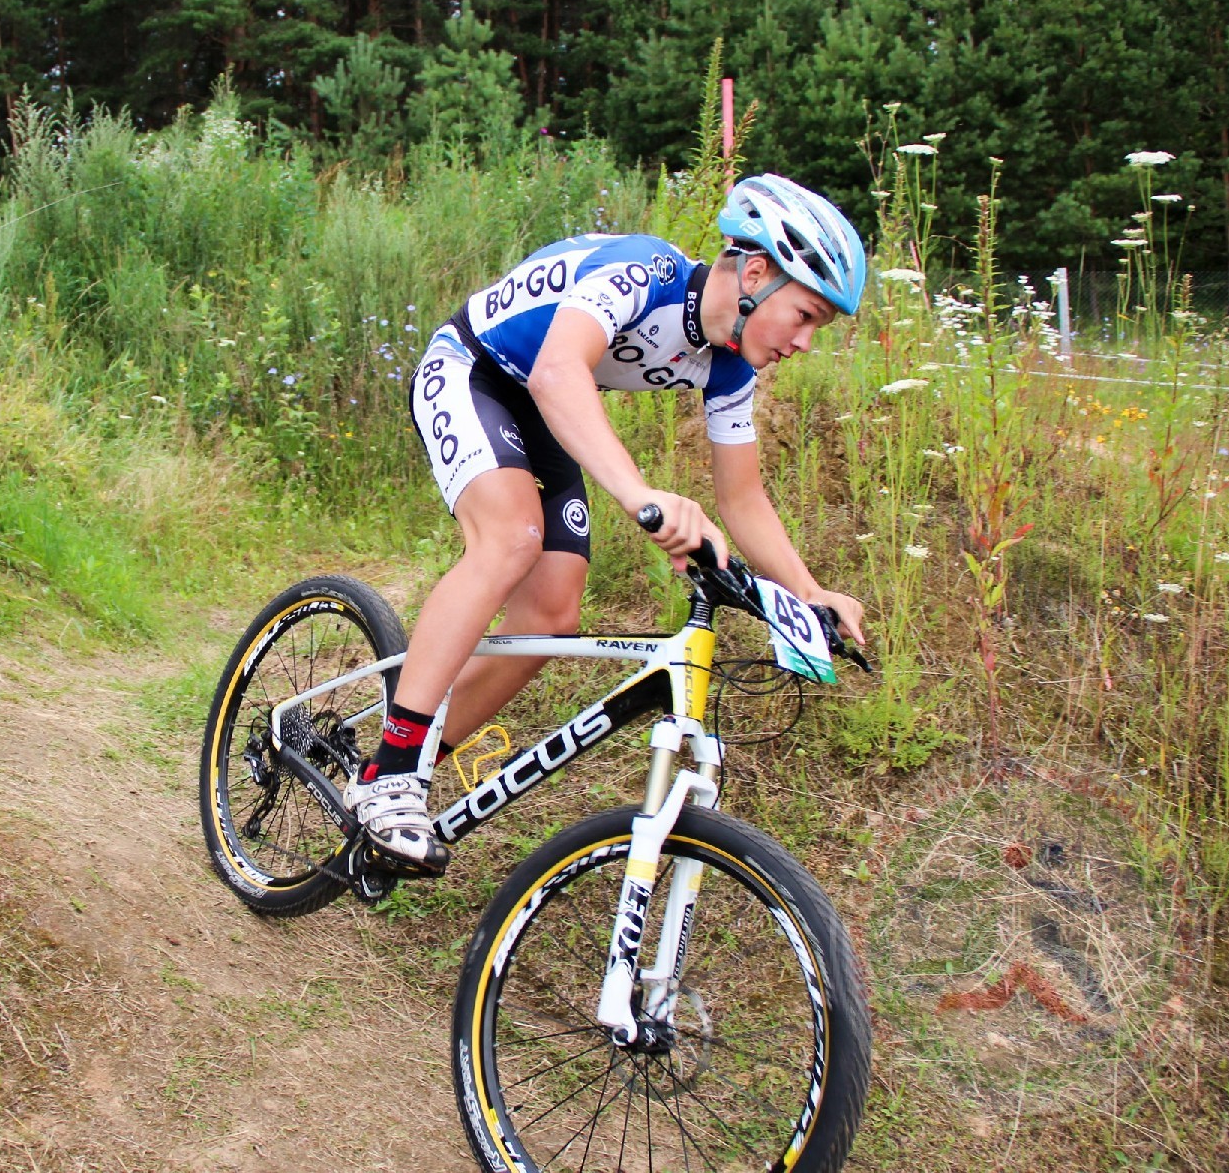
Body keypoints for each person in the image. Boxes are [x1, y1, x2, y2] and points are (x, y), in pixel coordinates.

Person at [344, 173, 871, 868]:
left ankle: (399, 767)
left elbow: (743, 499)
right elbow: (558, 371)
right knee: (510, 539)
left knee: (551, 617)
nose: (804, 342)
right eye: (805, 316)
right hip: (473, 367)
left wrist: (810, 593)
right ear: (755, 274)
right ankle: (390, 778)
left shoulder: (729, 369)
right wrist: (642, 496)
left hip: (540, 408)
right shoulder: (644, 271)